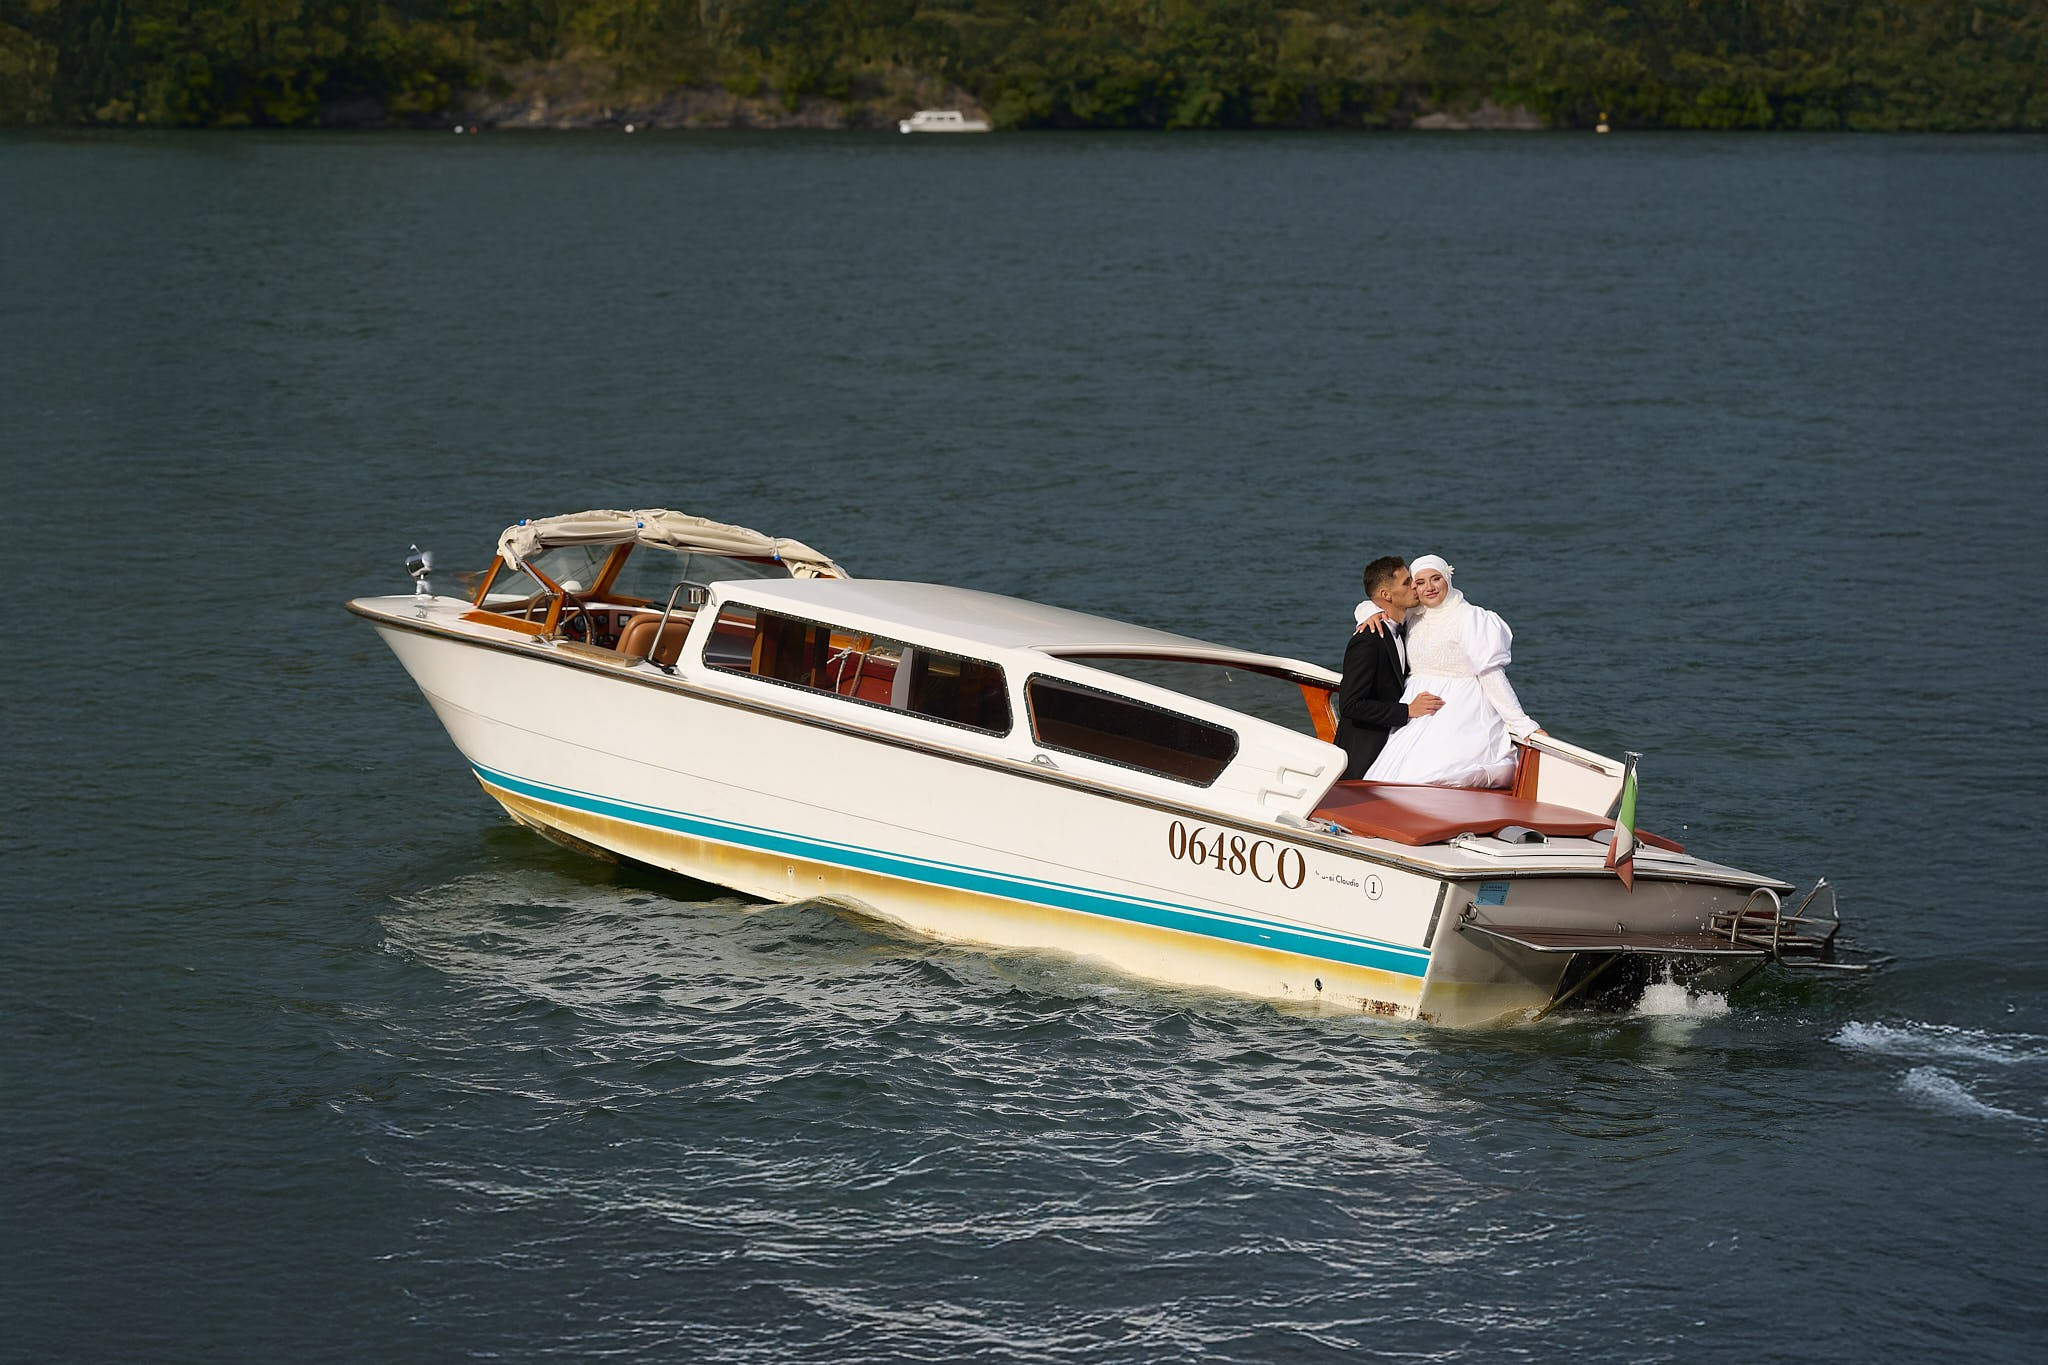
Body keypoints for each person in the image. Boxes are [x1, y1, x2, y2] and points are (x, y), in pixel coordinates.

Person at [1362, 555, 1542, 789]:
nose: (1429, 587)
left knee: (1434, 773)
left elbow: (1491, 675)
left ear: (1447, 578)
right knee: (1393, 773)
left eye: (1436, 579)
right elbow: (1370, 603)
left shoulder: (1471, 617)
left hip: (1459, 707)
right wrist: (1366, 614)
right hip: (1416, 709)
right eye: (1420, 581)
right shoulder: (1413, 614)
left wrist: (1523, 724)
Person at [1334, 557, 1442, 780]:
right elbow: (1350, 705)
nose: (1415, 586)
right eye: (1406, 582)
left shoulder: (1405, 627)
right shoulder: (1368, 640)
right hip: (1363, 759)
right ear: (1386, 595)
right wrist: (1407, 710)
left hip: (1396, 750)